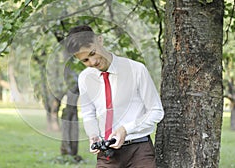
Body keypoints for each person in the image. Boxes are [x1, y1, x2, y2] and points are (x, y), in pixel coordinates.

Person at [65, 25, 164, 168]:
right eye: (85, 60)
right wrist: (93, 136)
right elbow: (88, 114)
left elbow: (156, 111)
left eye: (93, 53)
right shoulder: (85, 78)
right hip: (107, 154)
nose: (92, 63)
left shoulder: (136, 70)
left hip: (139, 150)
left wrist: (125, 129)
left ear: (100, 40)